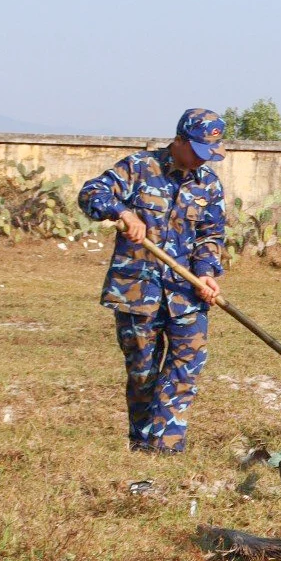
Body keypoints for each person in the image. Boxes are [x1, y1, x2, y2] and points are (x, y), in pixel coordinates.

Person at [76, 109, 228, 453]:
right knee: (143, 375)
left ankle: (167, 447)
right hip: (137, 292)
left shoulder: (208, 184)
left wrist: (206, 272)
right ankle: (142, 444)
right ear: (179, 140)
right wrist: (123, 212)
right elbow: (90, 194)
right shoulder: (140, 168)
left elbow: (211, 235)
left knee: (186, 368)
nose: (202, 161)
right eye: (198, 151)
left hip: (186, 294)